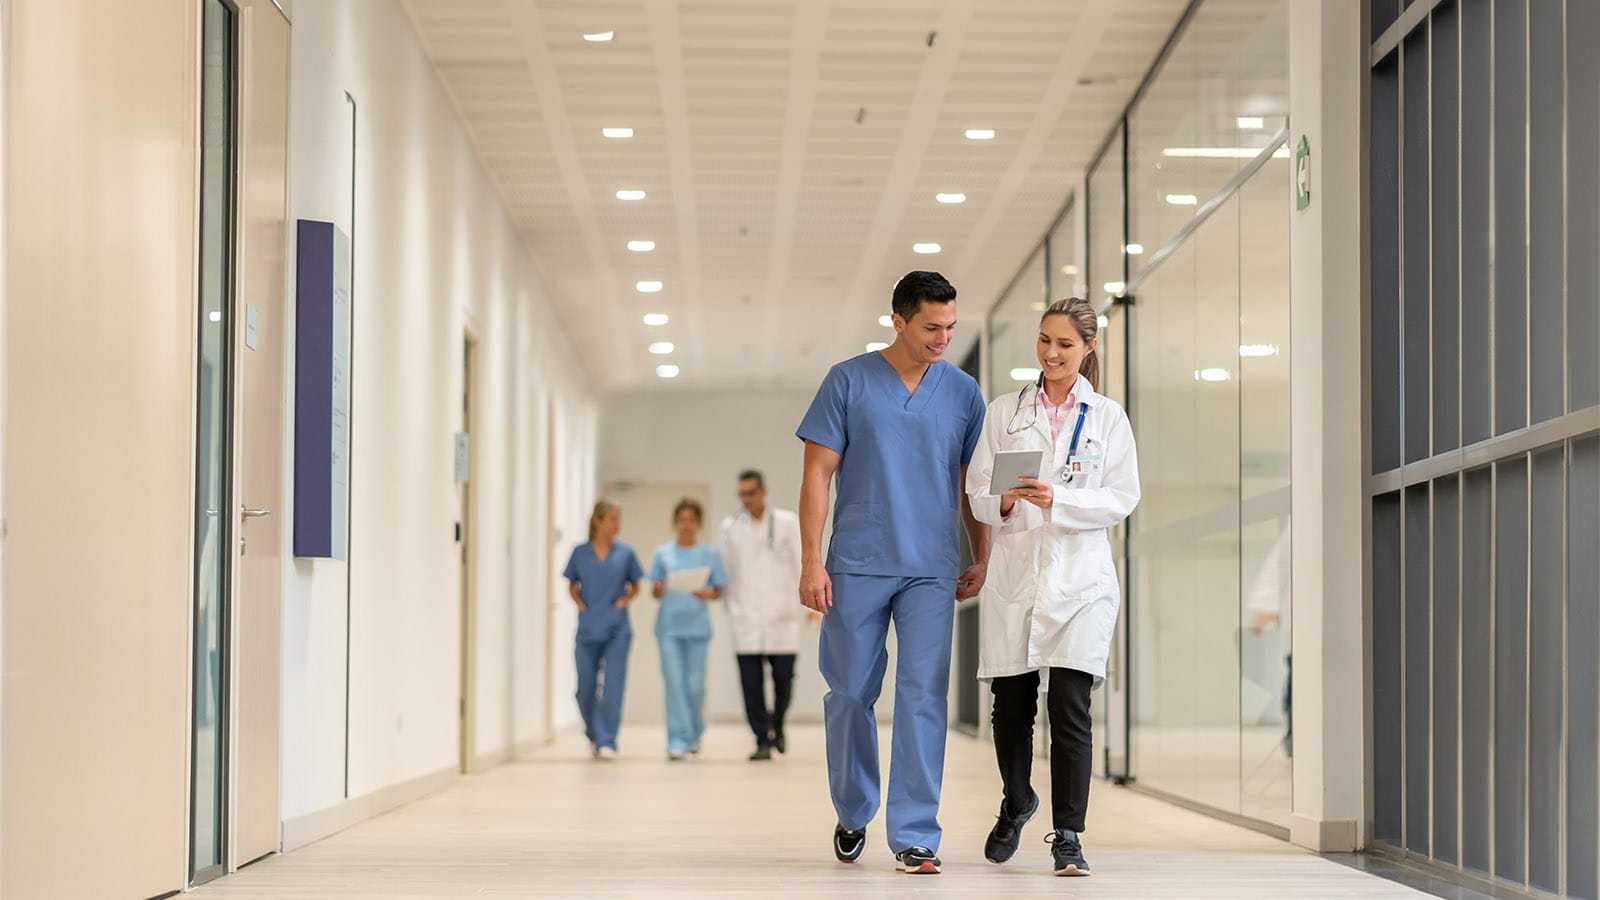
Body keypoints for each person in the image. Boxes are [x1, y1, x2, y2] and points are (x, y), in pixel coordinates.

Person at [797, 270, 989, 876]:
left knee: (923, 696)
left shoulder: (962, 393)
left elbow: (971, 483)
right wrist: (809, 559)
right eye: (932, 327)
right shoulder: (848, 380)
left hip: (931, 567)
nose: (943, 338)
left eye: (951, 327)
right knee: (850, 690)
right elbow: (816, 476)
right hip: (857, 562)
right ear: (899, 321)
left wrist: (979, 552)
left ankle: (915, 833)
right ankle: (853, 809)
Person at [965, 297, 1140, 877]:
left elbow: (1121, 496)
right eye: (1044, 340)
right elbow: (977, 490)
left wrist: (1059, 499)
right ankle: (1017, 800)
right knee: (1010, 706)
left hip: (1081, 580)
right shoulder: (1003, 412)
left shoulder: (1108, 417)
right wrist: (1006, 500)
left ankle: (1068, 834)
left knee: (1070, 706)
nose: (1051, 353)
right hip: (1017, 575)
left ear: (1088, 348)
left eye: (1065, 344)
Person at [717, 469, 813, 761]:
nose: (746, 500)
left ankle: (778, 723)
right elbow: (726, 571)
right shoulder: (729, 528)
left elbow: (802, 562)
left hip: (780, 615)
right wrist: (730, 608)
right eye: (741, 494)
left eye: (750, 493)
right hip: (745, 616)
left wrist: (811, 607)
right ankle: (761, 739)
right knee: (751, 685)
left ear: (763, 492)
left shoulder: (786, 522)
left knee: (784, 678)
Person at [562, 499, 646, 760]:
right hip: (588, 628)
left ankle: (607, 739)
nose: (616, 524)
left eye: (618, 519)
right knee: (584, 688)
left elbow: (636, 584)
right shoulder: (580, 553)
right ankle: (594, 733)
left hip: (617, 628)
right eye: (612, 519)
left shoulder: (626, 552)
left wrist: (624, 600)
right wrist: (580, 605)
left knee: (613, 686)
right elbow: (571, 584)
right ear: (597, 521)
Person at [647, 497, 728, 761]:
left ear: (698, 523)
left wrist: (707, 595)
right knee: (674, 685)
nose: (686, 525)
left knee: (694, 686)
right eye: (682, 520)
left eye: (691, 520)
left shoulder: (709, 554)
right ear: (675, 523)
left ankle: (694, 732)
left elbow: (718, 589)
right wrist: (658, 589)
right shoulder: (663, 553)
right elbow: (654, 590)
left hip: (697, 629)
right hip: (668, 628)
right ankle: (677, 740)